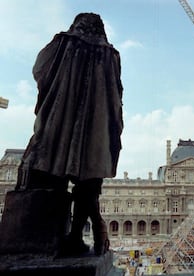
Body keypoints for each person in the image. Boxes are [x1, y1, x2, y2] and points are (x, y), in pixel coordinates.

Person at [16, 12, 123, 256]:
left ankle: (46, 236)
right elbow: (116, 96)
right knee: (89, 181)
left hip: (58, 124)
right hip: (96, 129)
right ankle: (76, 235)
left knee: (50, 174)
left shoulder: (62, 43)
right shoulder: (109, 54)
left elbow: (40, 69)